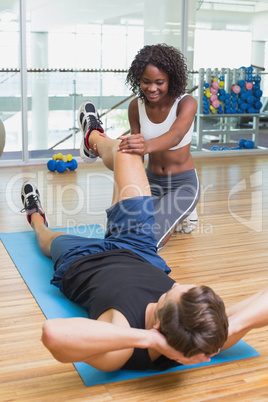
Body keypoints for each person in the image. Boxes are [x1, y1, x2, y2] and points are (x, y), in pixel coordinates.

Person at [21, 102, 268, 373]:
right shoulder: (201, 333)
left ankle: (35, 215)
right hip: (138, 248)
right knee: (127, 151)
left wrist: (149, 339)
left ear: (159, 328)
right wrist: (231, 328)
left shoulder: (122, 344)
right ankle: (93, 136)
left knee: (47, 239)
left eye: (176, 291)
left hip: (83, 261)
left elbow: (53, 334)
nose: (176, 284)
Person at [123, 43, 200, 246]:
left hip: (182, 185)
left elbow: (175, 136)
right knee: (131, 228)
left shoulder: (186, 103)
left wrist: (146, 146)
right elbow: (138, 154)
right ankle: (178, 214)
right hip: (151, 182)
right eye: (145, 81)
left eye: (159, 82)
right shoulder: (135, 107)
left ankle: (184, 210)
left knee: (152, 236)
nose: (152, 88)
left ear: (171, 79)